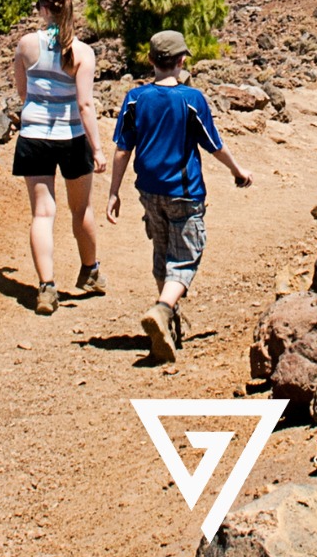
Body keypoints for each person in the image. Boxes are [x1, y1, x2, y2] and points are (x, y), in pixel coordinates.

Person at [106, 29, 252, 363]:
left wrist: (113, 192)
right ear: (183, 60)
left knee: (162, 252)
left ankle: (167, 326)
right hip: (184, 193)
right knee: (185, 256)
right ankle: (163, 309)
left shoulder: (134, 98)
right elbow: (213, 143)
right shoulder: (191, 99)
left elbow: (122, 148)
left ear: (150, 60)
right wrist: (238, 171)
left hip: (148, 190)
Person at [12, 0, 107, 316]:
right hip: (72, 137)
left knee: (42, 213)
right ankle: (90, 270)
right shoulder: (83, 52)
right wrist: (97, 148)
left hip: (34, 135)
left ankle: (46, 287)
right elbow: (85, 104)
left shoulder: (25, 45)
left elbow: (24, 95)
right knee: (81, 210)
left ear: (42, 8)